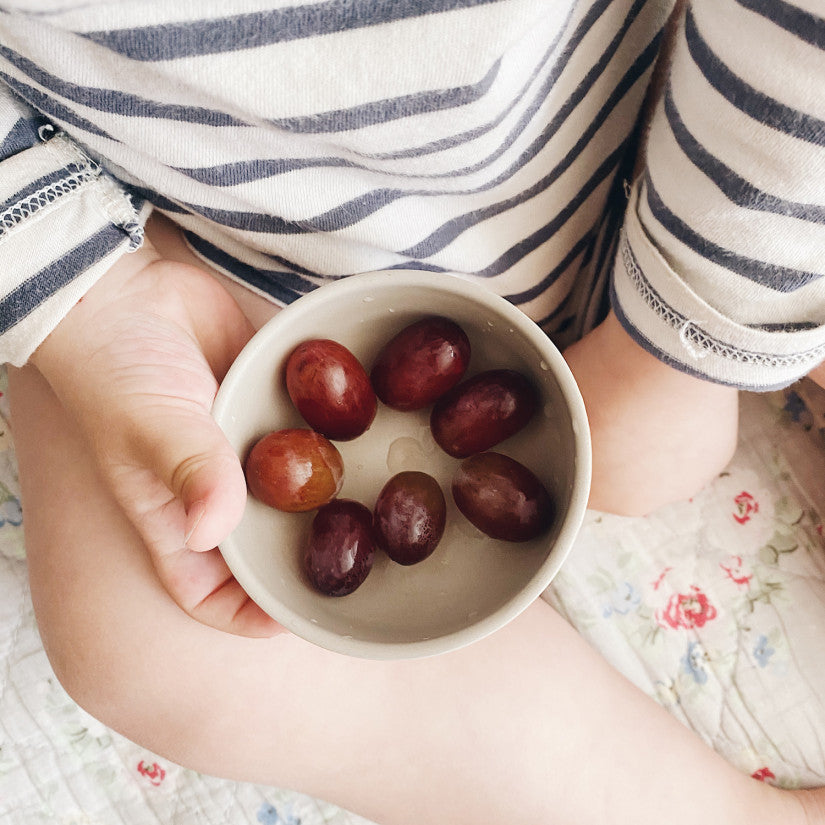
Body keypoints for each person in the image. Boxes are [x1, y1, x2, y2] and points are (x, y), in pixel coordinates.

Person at [2, 0, 825, 822]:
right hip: (182, 256)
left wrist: (687, 346)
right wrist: (82, 292)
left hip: (679, 149)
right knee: (151, 647)